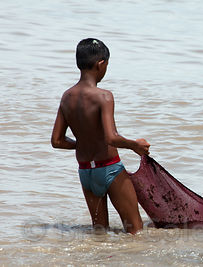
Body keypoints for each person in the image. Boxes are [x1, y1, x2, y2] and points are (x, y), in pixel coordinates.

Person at [51, 38, 150, 234]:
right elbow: (111, 138)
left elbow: (57, 141)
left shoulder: (66, 97)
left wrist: (82, 143)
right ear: (101, 64)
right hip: (109, 169)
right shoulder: (103, 96)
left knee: (100, 233)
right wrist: (134, 145)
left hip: (86, 172)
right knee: (136, 232)